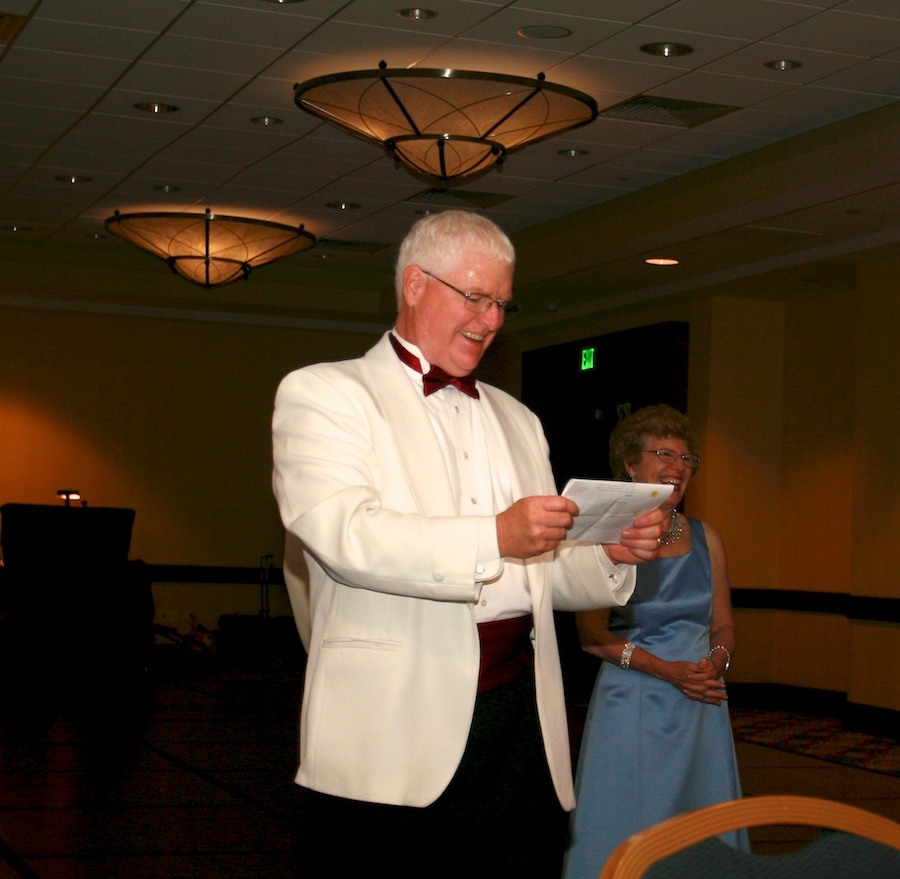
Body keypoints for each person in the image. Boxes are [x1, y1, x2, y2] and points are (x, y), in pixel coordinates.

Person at [271, 210, 664, 878]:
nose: (490, 320)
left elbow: (536, 571)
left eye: (502, 304)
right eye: (474, 297)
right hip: (391, 724)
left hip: (519, 722)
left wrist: (606, 554)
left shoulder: (520, 419)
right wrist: (494, 534)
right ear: (416, 284)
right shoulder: (325, 392)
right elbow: (344, 533)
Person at [562, 404, 750, 879]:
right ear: (631, 464)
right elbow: (591, 638)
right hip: (633, 698)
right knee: (627, 823)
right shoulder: (603, 535)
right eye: (664, 453)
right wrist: (667, 671)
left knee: (700, 824)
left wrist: (715, 662)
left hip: (701, 701)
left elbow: (723, 624)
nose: (678, 467)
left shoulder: (709, 537)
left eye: (687, 460)